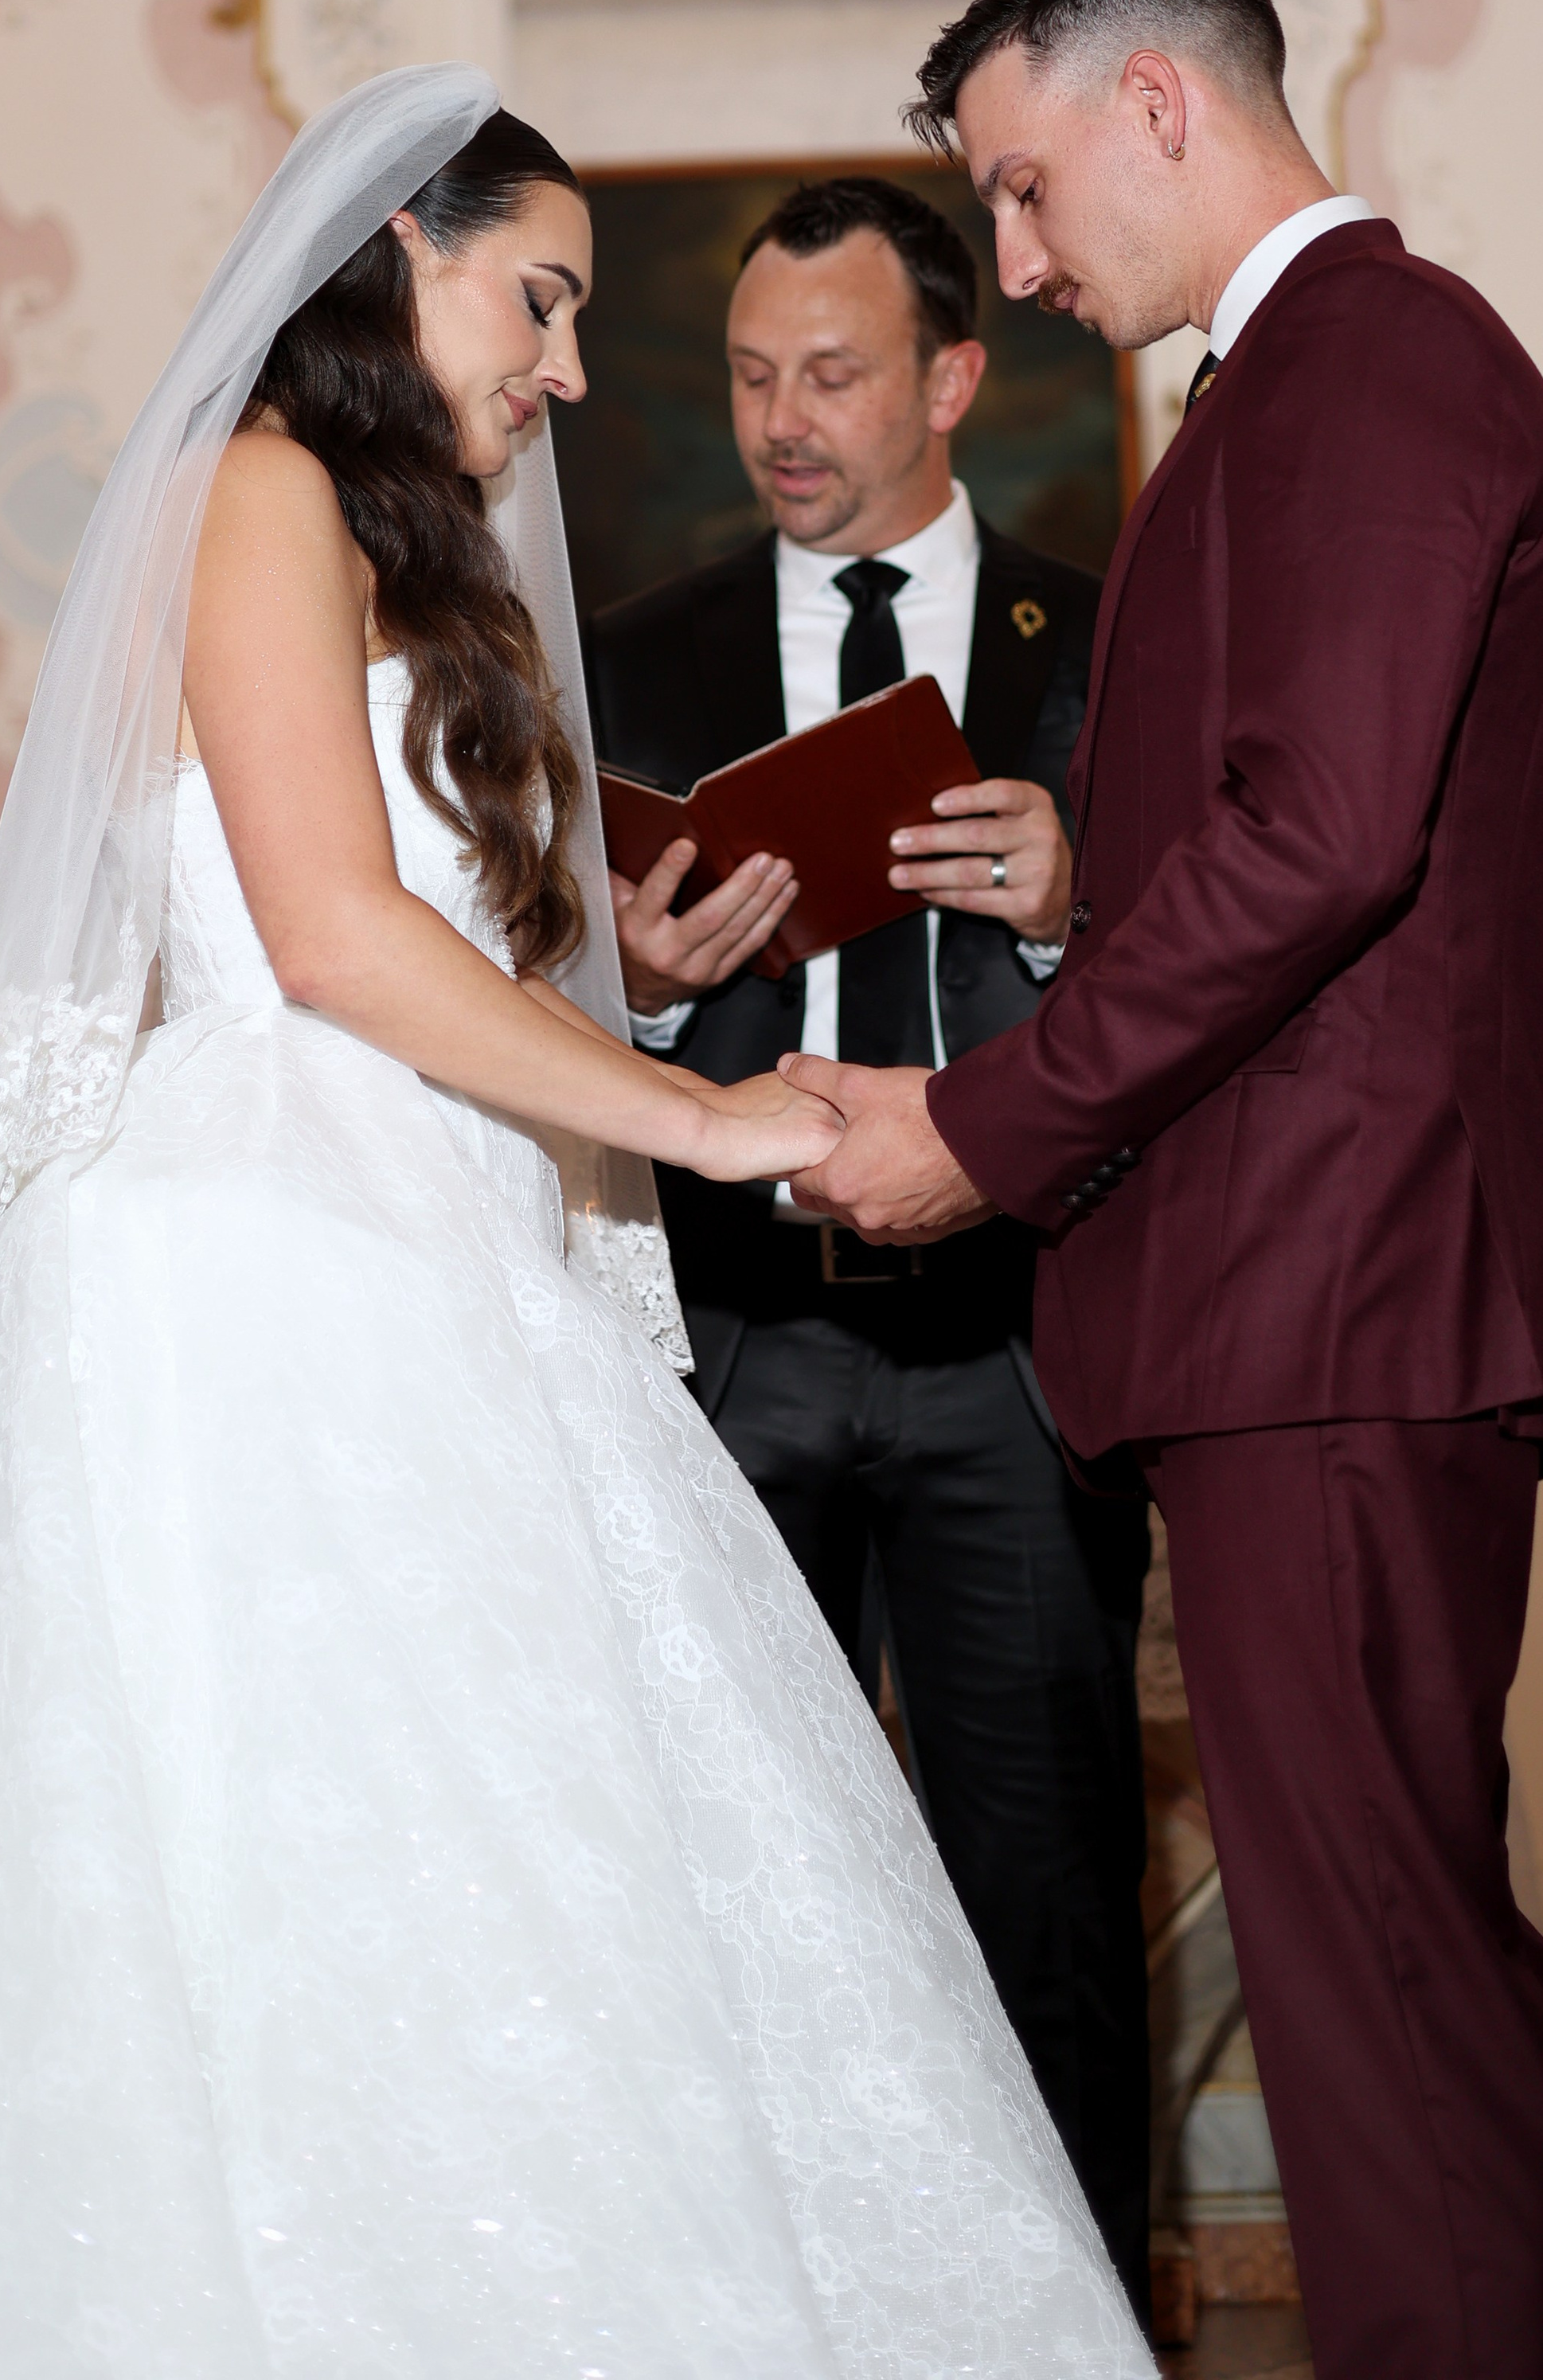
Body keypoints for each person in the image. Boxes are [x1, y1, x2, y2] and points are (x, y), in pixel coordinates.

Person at [0, 75, 1156, 2378]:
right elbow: (335, 940)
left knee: (507, 1885)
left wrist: (632, 978)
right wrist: (703, 1129)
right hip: (270, 1256)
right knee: (291, 1868)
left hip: (437, 1243)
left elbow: (466, 932)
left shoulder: (418, 542)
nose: (574, 368)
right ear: (399, 248)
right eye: (542, 298)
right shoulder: (253, 488)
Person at [780, 0, 1543, 2380]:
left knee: (1391, 2032)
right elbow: (1314, 836)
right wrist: (1086, 888)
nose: (1017, 265)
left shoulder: (1371, 358)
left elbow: (1334, 838)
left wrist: (980, 1128)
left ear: (1163, 103)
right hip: (1297, 1307)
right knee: (1398, 2019)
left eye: (1029, 191)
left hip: (1330, 1316)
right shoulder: (1303, 382)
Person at [583, 175, 1152, 2319]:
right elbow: (542, 1013)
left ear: (955, 379)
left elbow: (1219, 963)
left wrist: (1072, 896)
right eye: (748, 375)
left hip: (1016, 1348)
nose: (781, 420)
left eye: (832, 373)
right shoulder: (636, 651)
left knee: (1045, 1917)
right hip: (735, 1352)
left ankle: (1079, 2335)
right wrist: (636, 982)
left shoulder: (1106, 644)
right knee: (748, 1908)